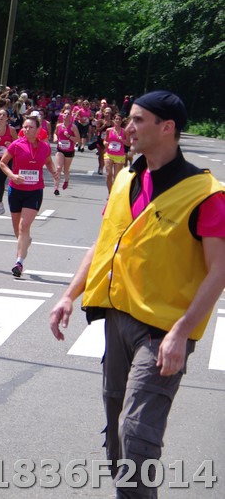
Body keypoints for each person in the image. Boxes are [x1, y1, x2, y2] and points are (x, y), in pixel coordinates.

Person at [49, 90, 225, 498]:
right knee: (116, 428)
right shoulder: (126, 179)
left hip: (163, 332)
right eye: (129, 119)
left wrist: (182, 331)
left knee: (137, 432)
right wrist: (69, 295)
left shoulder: (206, 194)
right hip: (118, 318)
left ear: (167, 128)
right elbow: (104, 242)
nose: (127, 127)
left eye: (138, 120)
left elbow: (219, 270)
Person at [0, 115, 58, 278]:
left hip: (34, 191)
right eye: (25, 127)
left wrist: (54, 172)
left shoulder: (44, 147)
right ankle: (24, 244)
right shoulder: (17, 145)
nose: (26, 130)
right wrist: (12, 175)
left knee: (24, 226)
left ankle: (19, 262)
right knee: (18, 230)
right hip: (16, 190)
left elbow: (48, 162)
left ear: (38, 130)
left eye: (31, 127)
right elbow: (2, 163)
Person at [53, 107, 81, 196]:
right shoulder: (59, 126)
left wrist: (69, 136)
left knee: (65, 169)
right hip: (60, 149)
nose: (66, 115)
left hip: (69, 151)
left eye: (68, 114)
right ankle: (56, 188)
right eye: (65, 113)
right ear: (62, 115)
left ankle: (66, 180)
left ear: (71, 116)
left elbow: (78, 139)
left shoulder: (73, 127)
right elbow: (55, 133)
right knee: (58, 168)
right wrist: (55, 138)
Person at [103, 113, 129, 193]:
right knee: (108, 174)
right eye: (116, 119)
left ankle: (114, 192)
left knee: (116, 177)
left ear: (121, 121)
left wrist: (122, 140)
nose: (117, 120)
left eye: (119, 119)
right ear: (114, 120)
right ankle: (110, 193)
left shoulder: (124, 131)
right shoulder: (109, 130)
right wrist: (105, 143)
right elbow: (105, 140)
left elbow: (129, 144)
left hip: (119, 156)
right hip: (109, 154)